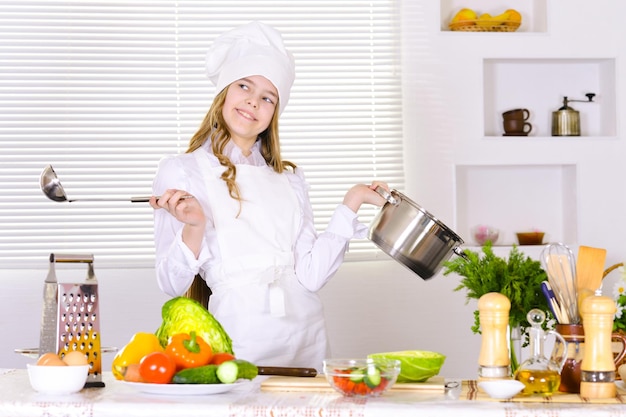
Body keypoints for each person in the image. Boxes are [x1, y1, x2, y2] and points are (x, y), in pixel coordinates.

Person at [150, 21, 389, 371]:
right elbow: (171, 283)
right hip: (238, 339)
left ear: (275, 111)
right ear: (224, 94)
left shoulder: (289, 179)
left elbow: (310, 277)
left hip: (306, 337)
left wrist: (350, 203)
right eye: (244, 86)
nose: (253, 101)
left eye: (268, 97)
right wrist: (195, 226)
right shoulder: (182, 171)